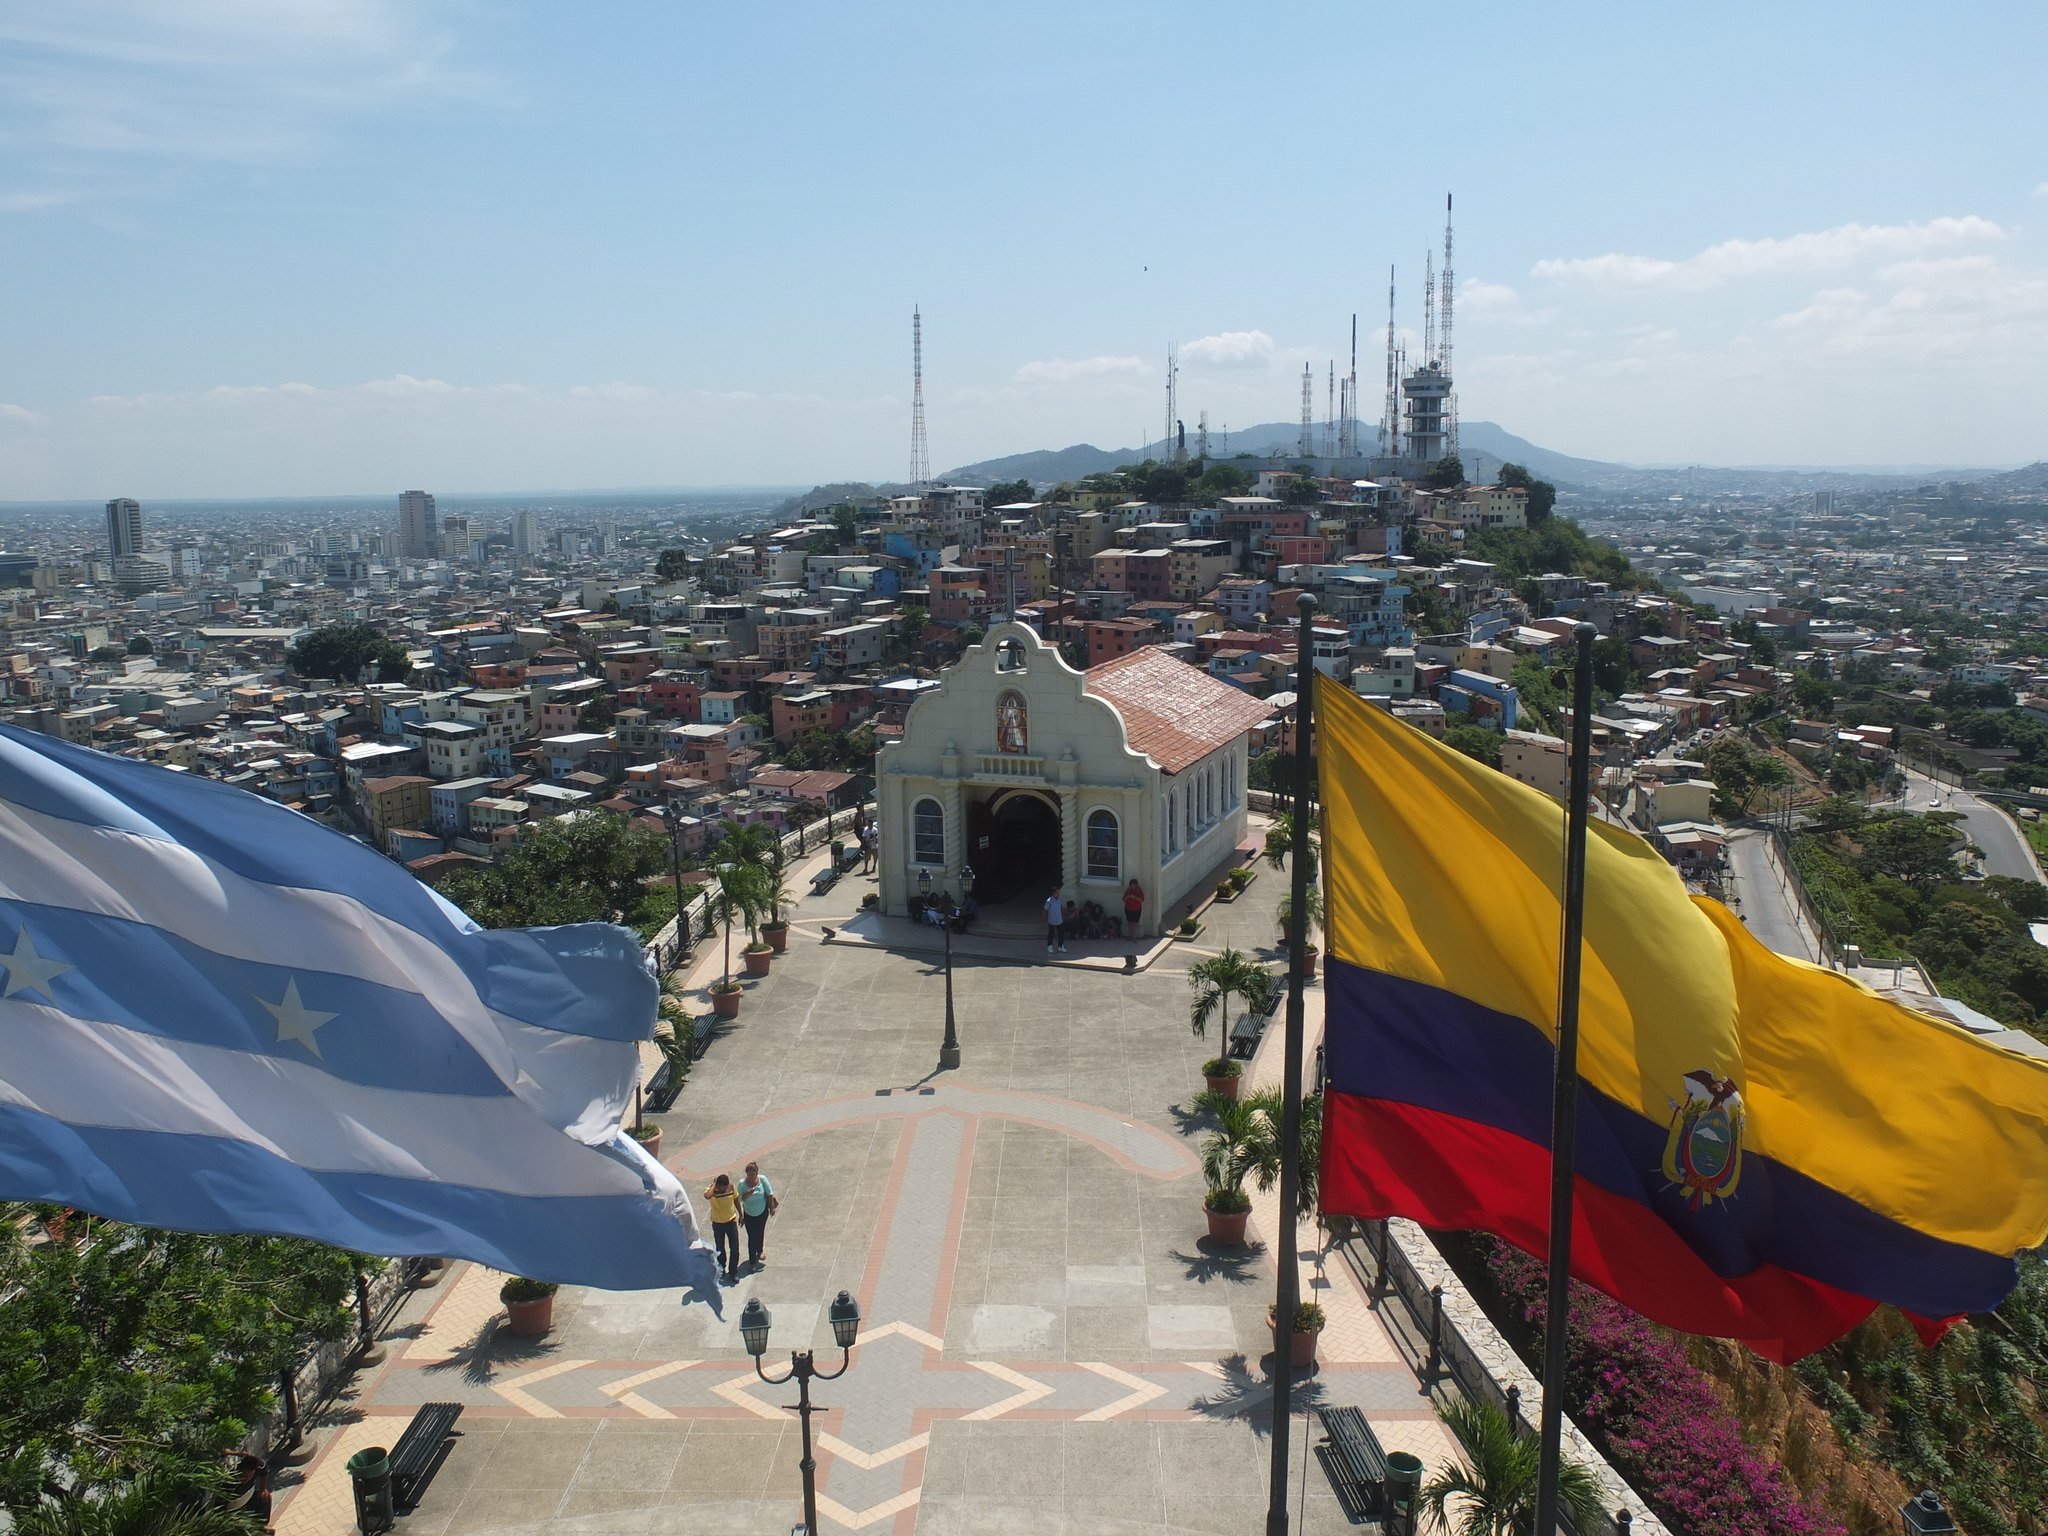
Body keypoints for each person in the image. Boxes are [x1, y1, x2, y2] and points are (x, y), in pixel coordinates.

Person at [738, 1160, 777, 1270]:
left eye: (753, 1173)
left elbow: (769, 1194)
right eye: (749, 1174)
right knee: (752, 1237)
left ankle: (759, 1251)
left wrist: (772, 1207)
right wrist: (747, 1194)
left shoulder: (762, 1179)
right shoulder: (742, 1184)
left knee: (760, 1232)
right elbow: (739, 1199)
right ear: (746, 1173)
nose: (751, 1176)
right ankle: (752, 1260)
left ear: (757, 1172)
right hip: (749, 1214)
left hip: (762, 1212)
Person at [703, 1173, 741, 1283]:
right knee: (720, 1249)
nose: (724, 1189)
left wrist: (741, 1214)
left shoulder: (731, 1187)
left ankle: (733, 1272)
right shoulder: (712, 1190)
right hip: (718, 1224)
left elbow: (736, 1200)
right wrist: (714, 1185)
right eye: (722, 1187)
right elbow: (707, 1196)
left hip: (731, 1222)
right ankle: (722, 1270)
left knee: (735, 1249)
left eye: (726, 1186)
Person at [1044, 887, 1066, 954]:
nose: (1058, 894)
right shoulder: (1049, 901)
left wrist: (1063, 916)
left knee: (1061, 933)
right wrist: (1044, 920)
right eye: (1057, 892)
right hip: (1052, 920)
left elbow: (1061, 908)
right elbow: (1045, 910)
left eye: (1059, 892)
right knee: (1051, 934)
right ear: (1053, 893)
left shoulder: (1060, 899)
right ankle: (1049, 946)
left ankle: (1060, 946)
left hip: (1059, 920)